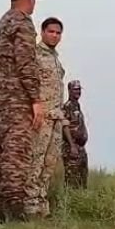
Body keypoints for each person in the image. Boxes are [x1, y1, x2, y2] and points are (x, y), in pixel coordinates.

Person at [0, 0, 44, 222]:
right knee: (16, 152)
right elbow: (26, 62)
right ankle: (15, 209)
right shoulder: (22, 23)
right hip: (17, 98)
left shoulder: (3, 22)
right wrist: (35, 99)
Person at [25, 17, 67, 217]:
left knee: (49, 163)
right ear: (42, 32)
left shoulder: (56, 59)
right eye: (51, 31)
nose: (54, 36)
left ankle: (42, 204)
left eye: (58, 33)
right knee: (36, 160)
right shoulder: (34, 55)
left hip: (56, 118)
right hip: (41, 117)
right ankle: (29, 204)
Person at [62, 80, 89, 189]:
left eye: (79, 89)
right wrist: (72, 146)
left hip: (80, 148)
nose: (78, 92)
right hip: (71, 148)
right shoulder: (67, 106)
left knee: (82, 180)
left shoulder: (77, 106)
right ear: (69, 90)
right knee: (72, 180)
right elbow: (65, 126)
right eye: (75, 89)